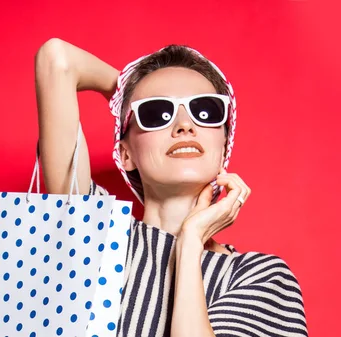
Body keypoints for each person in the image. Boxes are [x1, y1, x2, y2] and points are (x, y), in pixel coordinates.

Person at [35, 38, 308, 337]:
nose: (184, 125)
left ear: (224, 144)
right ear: (125, 154)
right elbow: (57, 60)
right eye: (156, 114)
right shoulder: (96, 233)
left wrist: (190, 242)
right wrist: (127, 93)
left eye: (205, 111)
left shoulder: (260, 277)